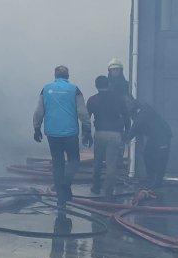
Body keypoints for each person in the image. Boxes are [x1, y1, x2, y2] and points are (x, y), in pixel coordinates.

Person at [33, 66, 91, 211]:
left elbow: (39, 111)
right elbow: (82, 112)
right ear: (68, 76)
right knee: (74, 161)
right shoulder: (74, 89)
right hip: (70, 133)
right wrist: (87, 129)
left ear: (55, 75)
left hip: (52, 133)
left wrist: (36, 128)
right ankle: (66, 184)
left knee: (58, 164)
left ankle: (61, 199)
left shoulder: (45, 89)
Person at [86, 75, 130, 196]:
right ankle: (108, 191)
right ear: (108, 84)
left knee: (97, 162)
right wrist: (127, 132)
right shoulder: (118, 98)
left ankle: (95, 187)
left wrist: (86, 134)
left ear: (96, 86)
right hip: (115, 134)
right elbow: (126, 116)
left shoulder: (92, 100)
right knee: (111, 164)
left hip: (99, 133)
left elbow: (86, 119)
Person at [126, 100, 172, 188]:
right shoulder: (143, 111)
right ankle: (151, 180)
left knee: (160, 160)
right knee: (147, 155)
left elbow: (134, 130)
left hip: (163, 137)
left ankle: (156, 184)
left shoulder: (141, 116)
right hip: (154, 137)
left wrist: (123, 140)